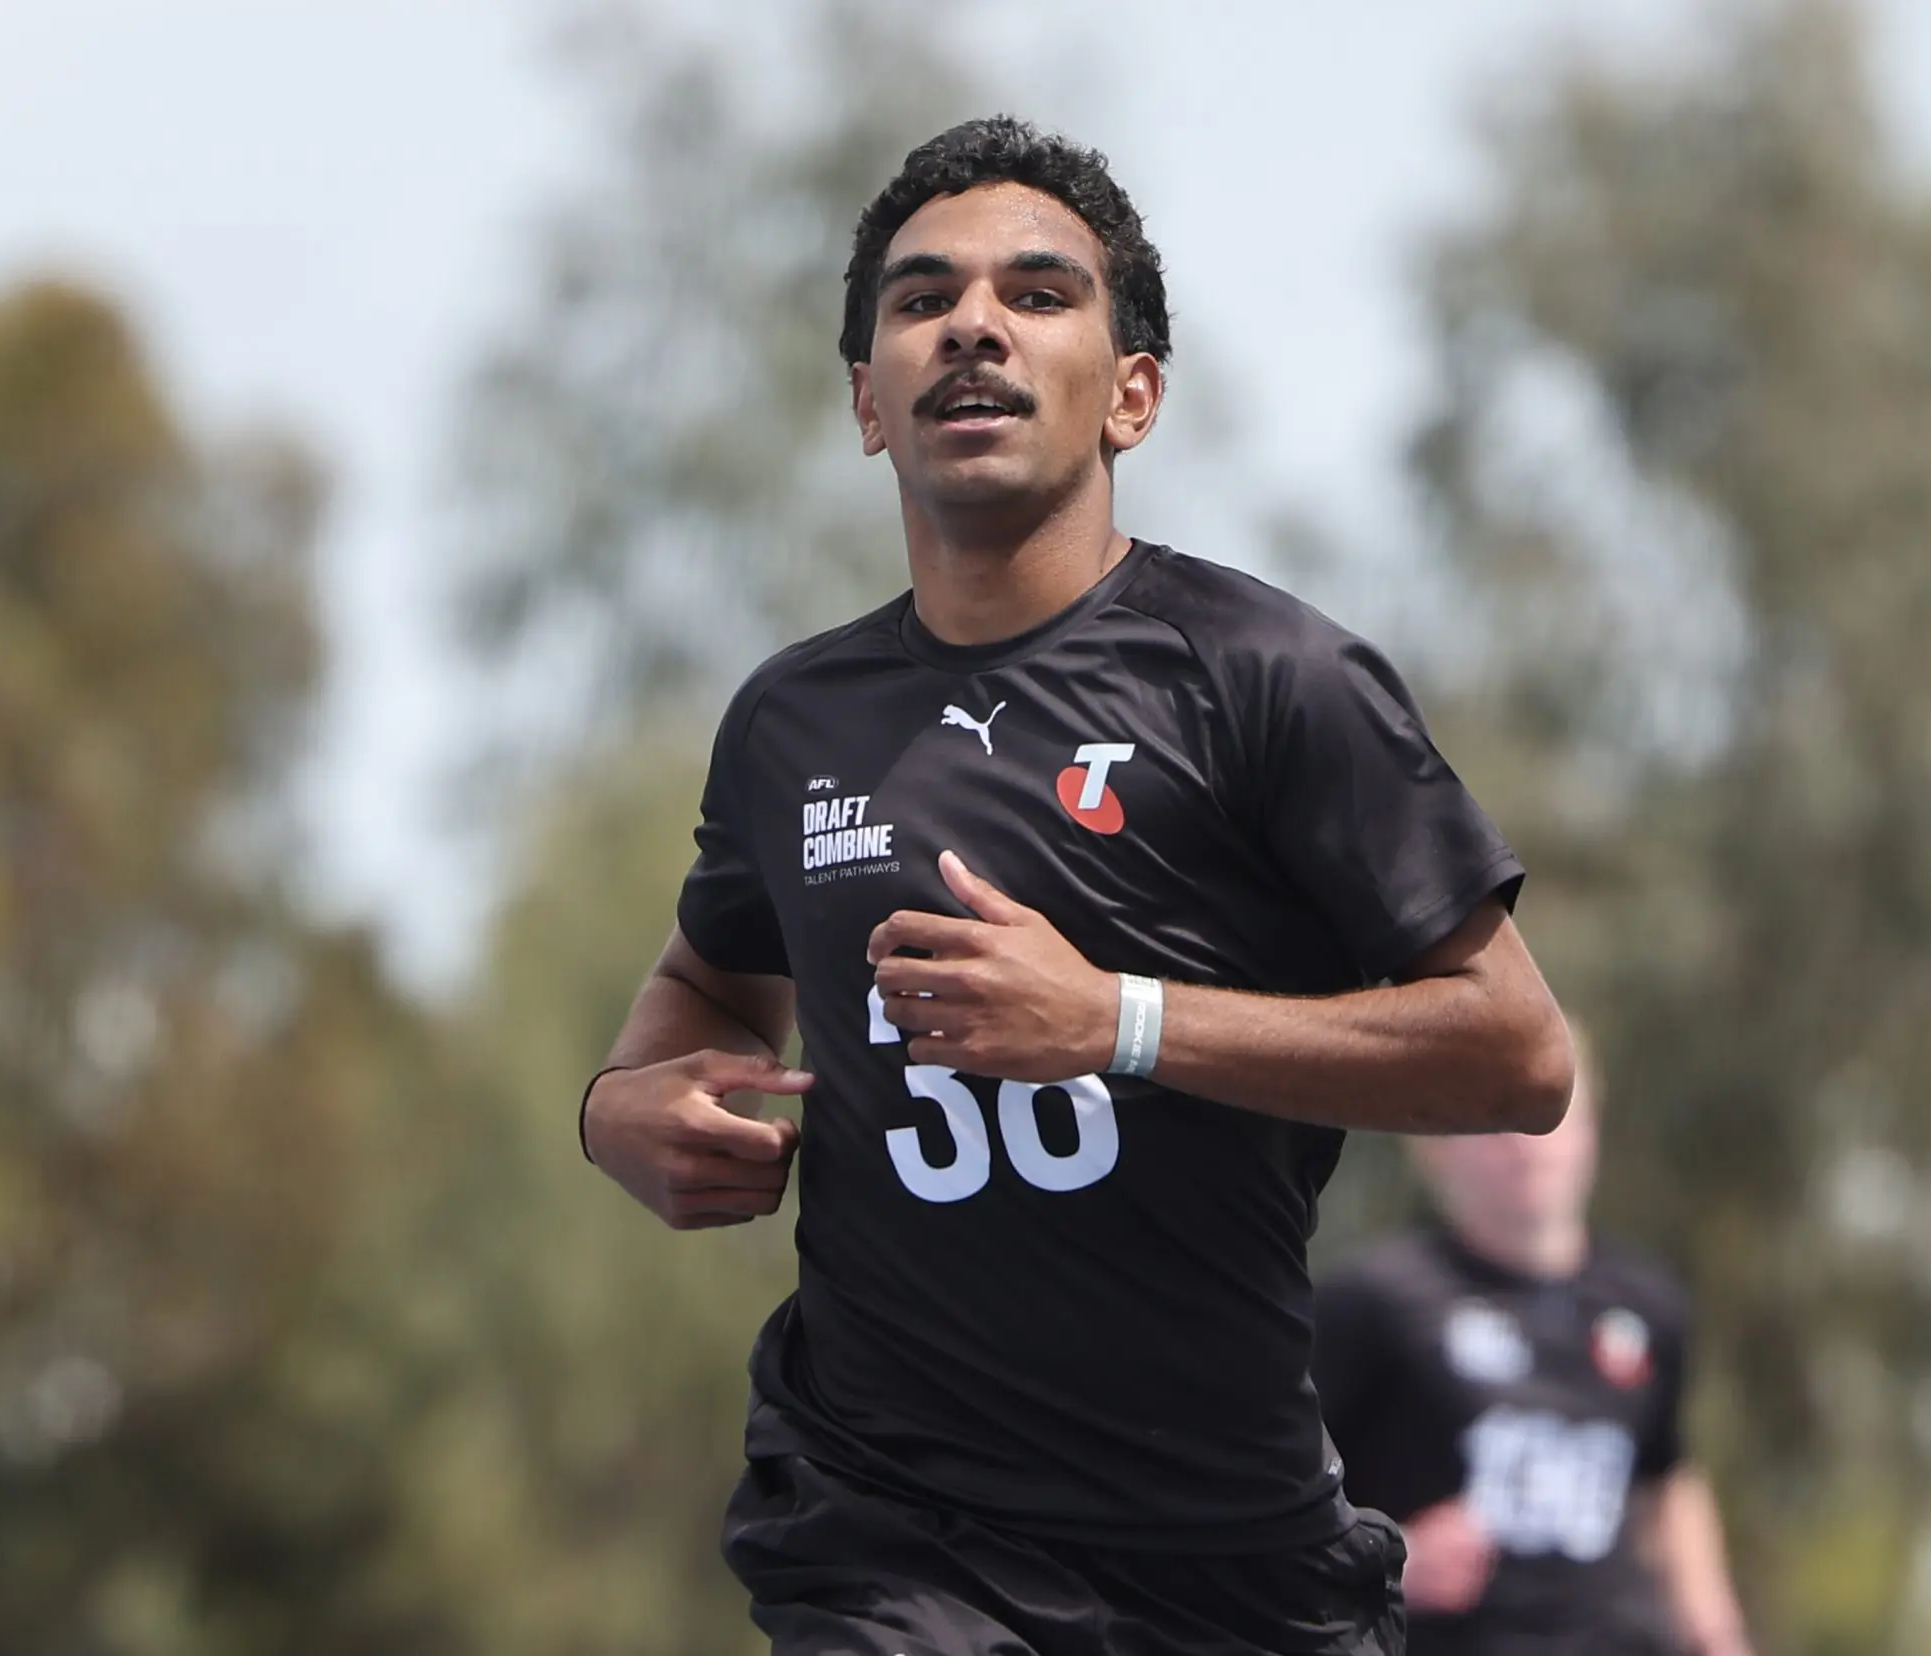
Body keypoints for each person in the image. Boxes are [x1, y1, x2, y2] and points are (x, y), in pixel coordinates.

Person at [576, 115, 1577, 1656]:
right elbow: (708, 982)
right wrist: (620, 1110)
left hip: (1230, 1564)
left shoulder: (1268, 680)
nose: (971, 323)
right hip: (890, 1533)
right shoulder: (791, 724)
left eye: (1037, 294)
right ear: (865, 402)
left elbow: (1517, 1056)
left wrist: (1114, 1021)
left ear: (1134, 396)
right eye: (921, 302)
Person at [1315, 1054, 1753, 1656]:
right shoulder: (1374, 1303)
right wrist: (1392, 1560)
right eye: (1499, 1120)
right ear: (1435, 1147)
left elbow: (1666, 1479)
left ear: (1592, 1131)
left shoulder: (1649, 1306)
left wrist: (1715, 1630)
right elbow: (1280, 1494)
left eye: (1551, 1116)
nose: (1527, 1145)